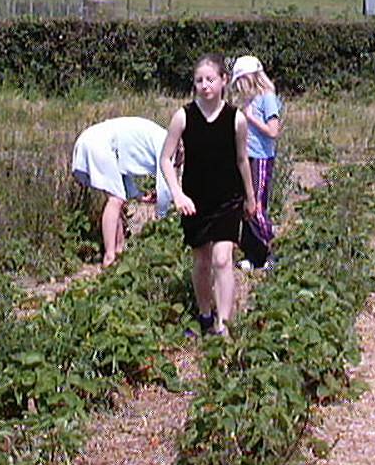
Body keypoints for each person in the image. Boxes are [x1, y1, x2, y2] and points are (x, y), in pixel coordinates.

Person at [160, 54, 260, 337]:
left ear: (223, 81)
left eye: (210, 79)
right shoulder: (183, 116)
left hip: (228, 198)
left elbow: (243, 160)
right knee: (202, 261)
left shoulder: (236, 119)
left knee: (222, 259)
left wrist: (250, 198)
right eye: (199, 80)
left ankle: (224, 326)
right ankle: (205, 315)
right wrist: (177, 193)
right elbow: (166, 159)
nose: (205, 85)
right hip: (195, 199)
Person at [70, 116, 173, 267]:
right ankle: (110, 256)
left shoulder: (161, 137)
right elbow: (164, 188)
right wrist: (164, 216)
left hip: (93, 139)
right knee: (116, 199)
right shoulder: (167, 145)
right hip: (98, 143)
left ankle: (118, 251)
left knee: (117, 199)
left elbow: (122, 168)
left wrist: (139, 196)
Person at [229, 54, 283, 270]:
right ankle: (254, 256)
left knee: (257, 207)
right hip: (245, 156)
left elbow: (273, 131)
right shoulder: (249, 99)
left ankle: (273, 251)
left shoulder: (267, 97)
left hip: (260, 158)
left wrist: (250, 118)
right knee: (245, 207)